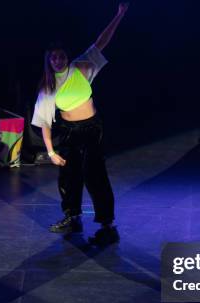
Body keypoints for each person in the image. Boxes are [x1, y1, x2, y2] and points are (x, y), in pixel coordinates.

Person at [31, 3, 129, 246]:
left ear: (67, 56)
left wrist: (119, 15)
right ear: (48, 60)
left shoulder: (82, 66)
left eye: (61, 55)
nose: (57, 60)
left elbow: (102, 41)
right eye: (53, 57)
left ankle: (107, 225)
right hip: (67, 132)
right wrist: (51, 152)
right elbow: (44, 122)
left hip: (92, 129)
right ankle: (72, 217)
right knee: (69, 176)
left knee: (95, 175)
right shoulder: (48, 87)